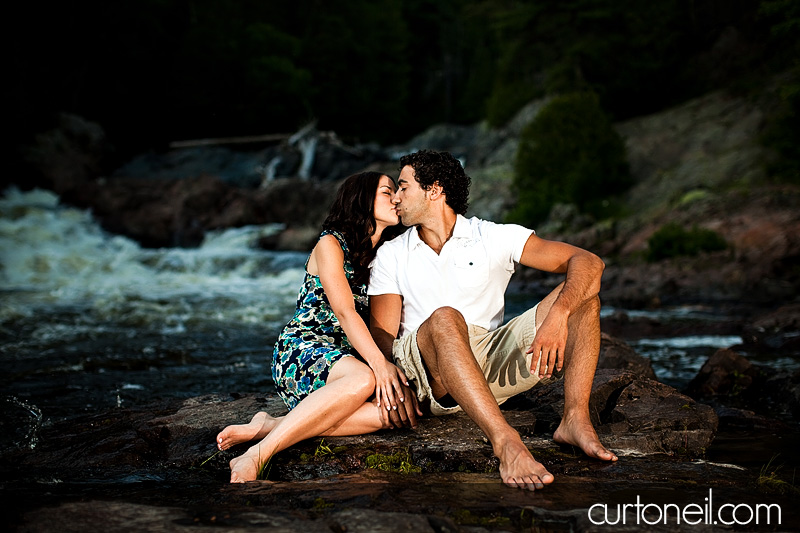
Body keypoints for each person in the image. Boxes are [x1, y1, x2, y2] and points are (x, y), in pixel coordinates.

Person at [368, 149, 618, 491]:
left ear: (434, 190)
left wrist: (559, 314)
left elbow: (589, 262)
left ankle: (575, 419)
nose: (395, 198)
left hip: (485, 363)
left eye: (403, 187)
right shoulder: (391, 254)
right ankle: (506, 443)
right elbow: (382, 336)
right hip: (427, 372)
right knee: (445, 318)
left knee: (584, 298)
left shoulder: (493, 236)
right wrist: (390, 387)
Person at [216, 171, 420, 483]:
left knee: (395, 412)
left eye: (396, 191)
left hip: (348, 360)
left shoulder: (387, 256)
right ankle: (257, 454)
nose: (395, 198)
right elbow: (345, 311)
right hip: (303, 348)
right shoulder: (330, 243)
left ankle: (272, 424)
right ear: (361, 199)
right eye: (385, 191)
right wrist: (381, 367)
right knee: (365, 379)